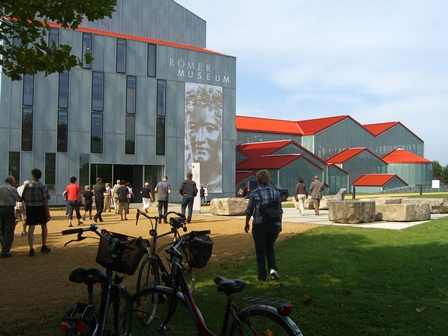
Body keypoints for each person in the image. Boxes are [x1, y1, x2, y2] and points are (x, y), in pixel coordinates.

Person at [244, 169, 283, 282]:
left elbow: (249, 210)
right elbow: (279, 210)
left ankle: (262, 276)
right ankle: (272, 268)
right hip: (274, 224)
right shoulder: (276, 192)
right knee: (270, 247)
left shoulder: (255, 193)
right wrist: (280, 223)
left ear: (258, 179)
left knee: (260, 251)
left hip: (259, 224)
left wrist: (246, 223)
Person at [185, 83, 223, 193]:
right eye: (193, 127)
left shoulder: (220, 179)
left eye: (210, 129)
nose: (199, 139)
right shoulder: (183, 171)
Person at [21, 168, 51, 256]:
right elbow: (45, 200)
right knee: (44, 226)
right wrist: (47, 212)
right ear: (40, 176)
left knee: (31, 228)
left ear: (32, 175)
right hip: (40, 207)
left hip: (30, 208)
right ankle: (44, 245)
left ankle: (31, 248)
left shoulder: (27, 185)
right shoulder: (42, 186)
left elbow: (23, 197)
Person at [0, 176, 21, 258]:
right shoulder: (11, 189)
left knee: (2, 229)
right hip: (9, 209)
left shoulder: (0, 187)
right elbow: (18, 199)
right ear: (11, 182)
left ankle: (4, 246)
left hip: (0, 208)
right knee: (9, 230)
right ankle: (5, 251)